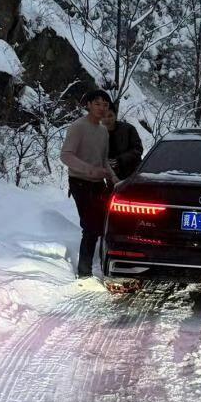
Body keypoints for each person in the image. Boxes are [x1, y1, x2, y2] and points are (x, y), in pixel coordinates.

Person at [61, 89, 117, 278]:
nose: (102, 108)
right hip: (80, 182)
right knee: (91, 226)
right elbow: (66, 155)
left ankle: (100, 266)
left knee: (104, 225)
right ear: (88, 105)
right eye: (97, 104)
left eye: (105, 105)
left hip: (98, 183)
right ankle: (84, 273)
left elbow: (103, 161)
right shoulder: (78, 127)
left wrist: (115, 180)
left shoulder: (103, 131)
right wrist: (89, 170)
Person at [104, 105, 144, 180]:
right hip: (112, 177)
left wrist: (119, 160)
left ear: (115, 116)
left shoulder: (128, 129)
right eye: (103, 116)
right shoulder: (97, 133)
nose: (107, 119)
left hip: (133, 174)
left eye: (110, 116)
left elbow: (138, 149)